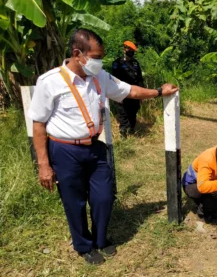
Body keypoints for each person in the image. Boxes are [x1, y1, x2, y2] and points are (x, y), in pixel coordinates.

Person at [27, 28, 178, 265]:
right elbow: (38, 125)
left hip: (95, 148)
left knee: (104, 196)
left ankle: (100, 239)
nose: (100, 61)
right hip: (65, 151)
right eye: (96, 57)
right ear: (78, 54)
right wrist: (43, 165)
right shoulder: (50, 81)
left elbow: (130, 91)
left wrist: (159, 92)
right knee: (74, 201)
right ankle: (84, 245)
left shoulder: (100, 77)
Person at [112, 41, 144, 137]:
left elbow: (140, 79)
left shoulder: (135, 63)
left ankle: (132, 130)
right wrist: (117, 95)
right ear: (124, 49)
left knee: (133, 111)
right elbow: (114, 80)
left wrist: (142, 95)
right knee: (123, 113)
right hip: (122, 92)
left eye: (132, 50)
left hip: (135, 93)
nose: (130, 51)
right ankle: (123, 133)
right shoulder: (117, 63)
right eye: (128, 49)